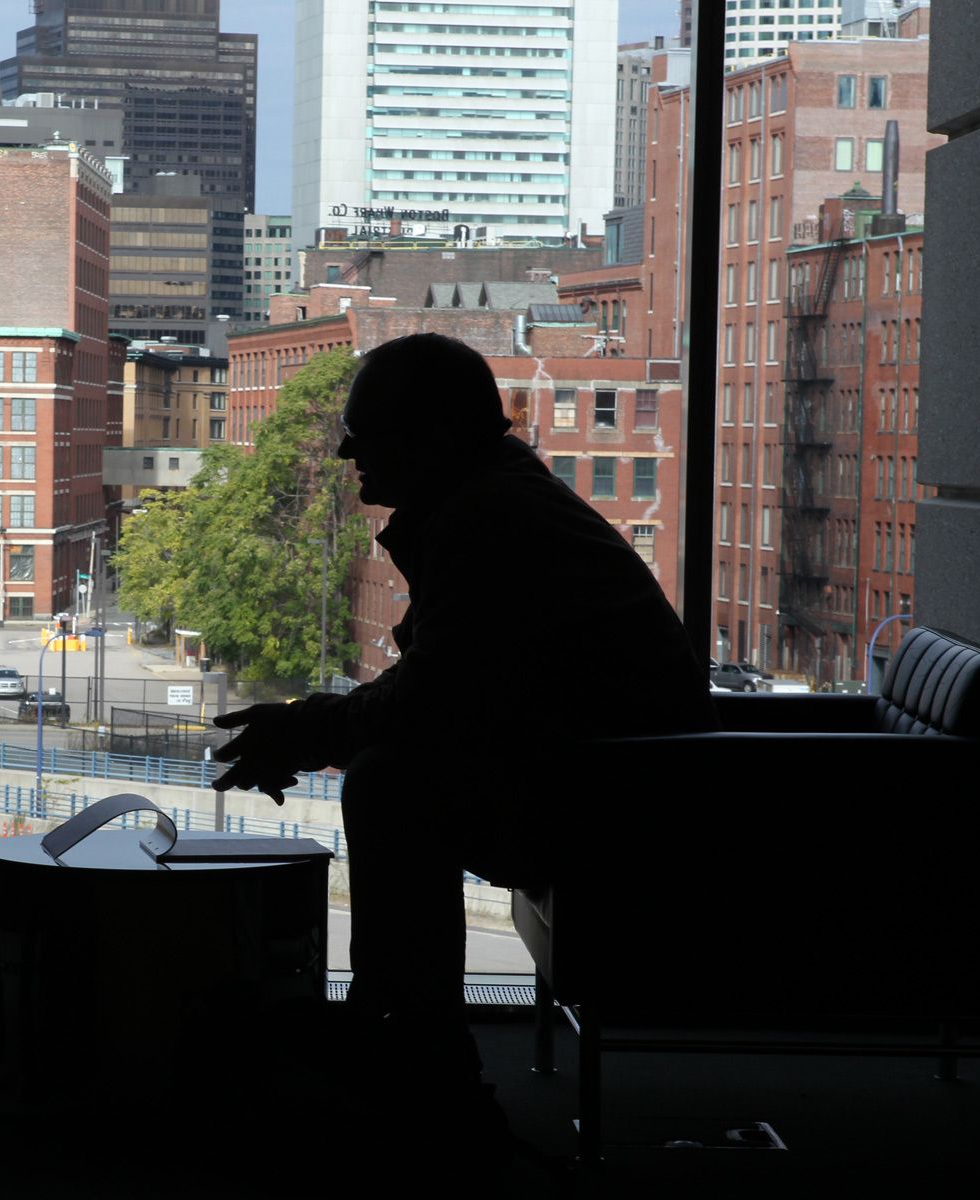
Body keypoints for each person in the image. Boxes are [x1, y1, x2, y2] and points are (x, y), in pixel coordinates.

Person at [210, 332, 717, 1152]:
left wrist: (300, 729)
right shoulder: (495, 501)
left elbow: (428, 700)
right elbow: (440, 690)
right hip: (629, 788)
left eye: (366, 432)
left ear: (433, 438)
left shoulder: (484, 522)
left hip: (625, 812)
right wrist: (310, 728)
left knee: (389, 787)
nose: (347, 452)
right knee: (389, 776)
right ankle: (410, 1044)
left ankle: (427, 1069)